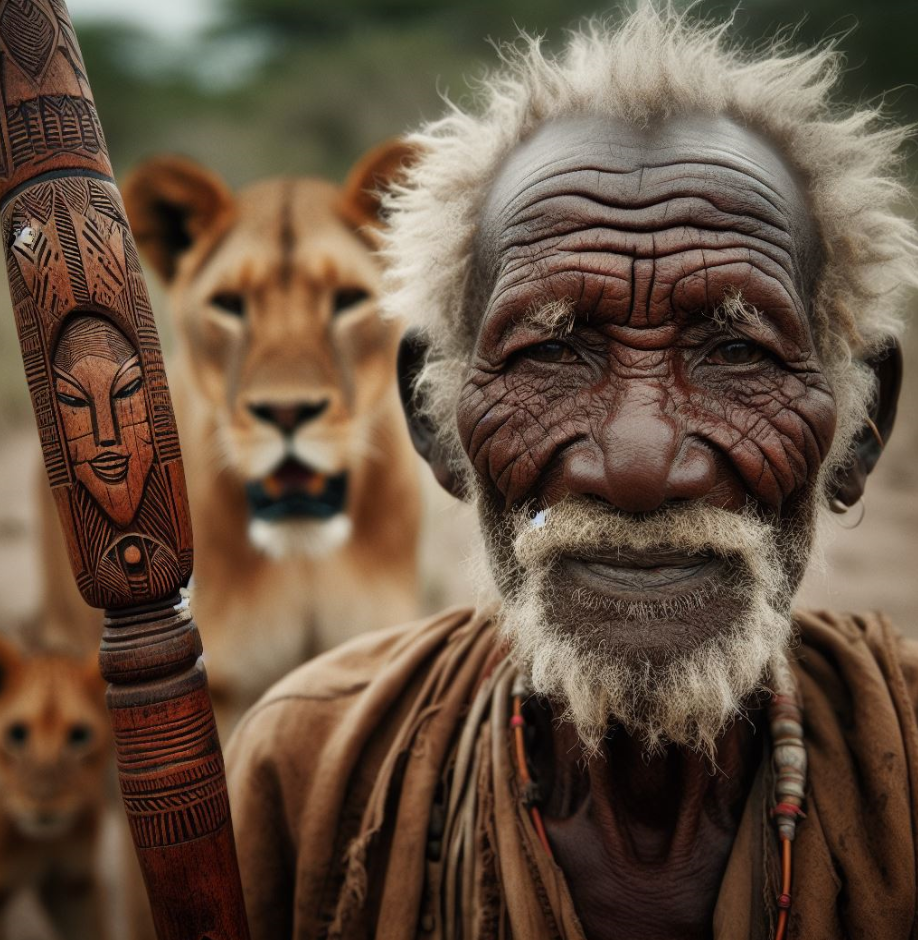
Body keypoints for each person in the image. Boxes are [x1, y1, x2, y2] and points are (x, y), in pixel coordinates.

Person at [225, 7, 918, 938]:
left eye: (739, 354)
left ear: (862, 424)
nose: (636, 464)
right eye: (549, 356)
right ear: (437, 426)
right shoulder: (308, 770)